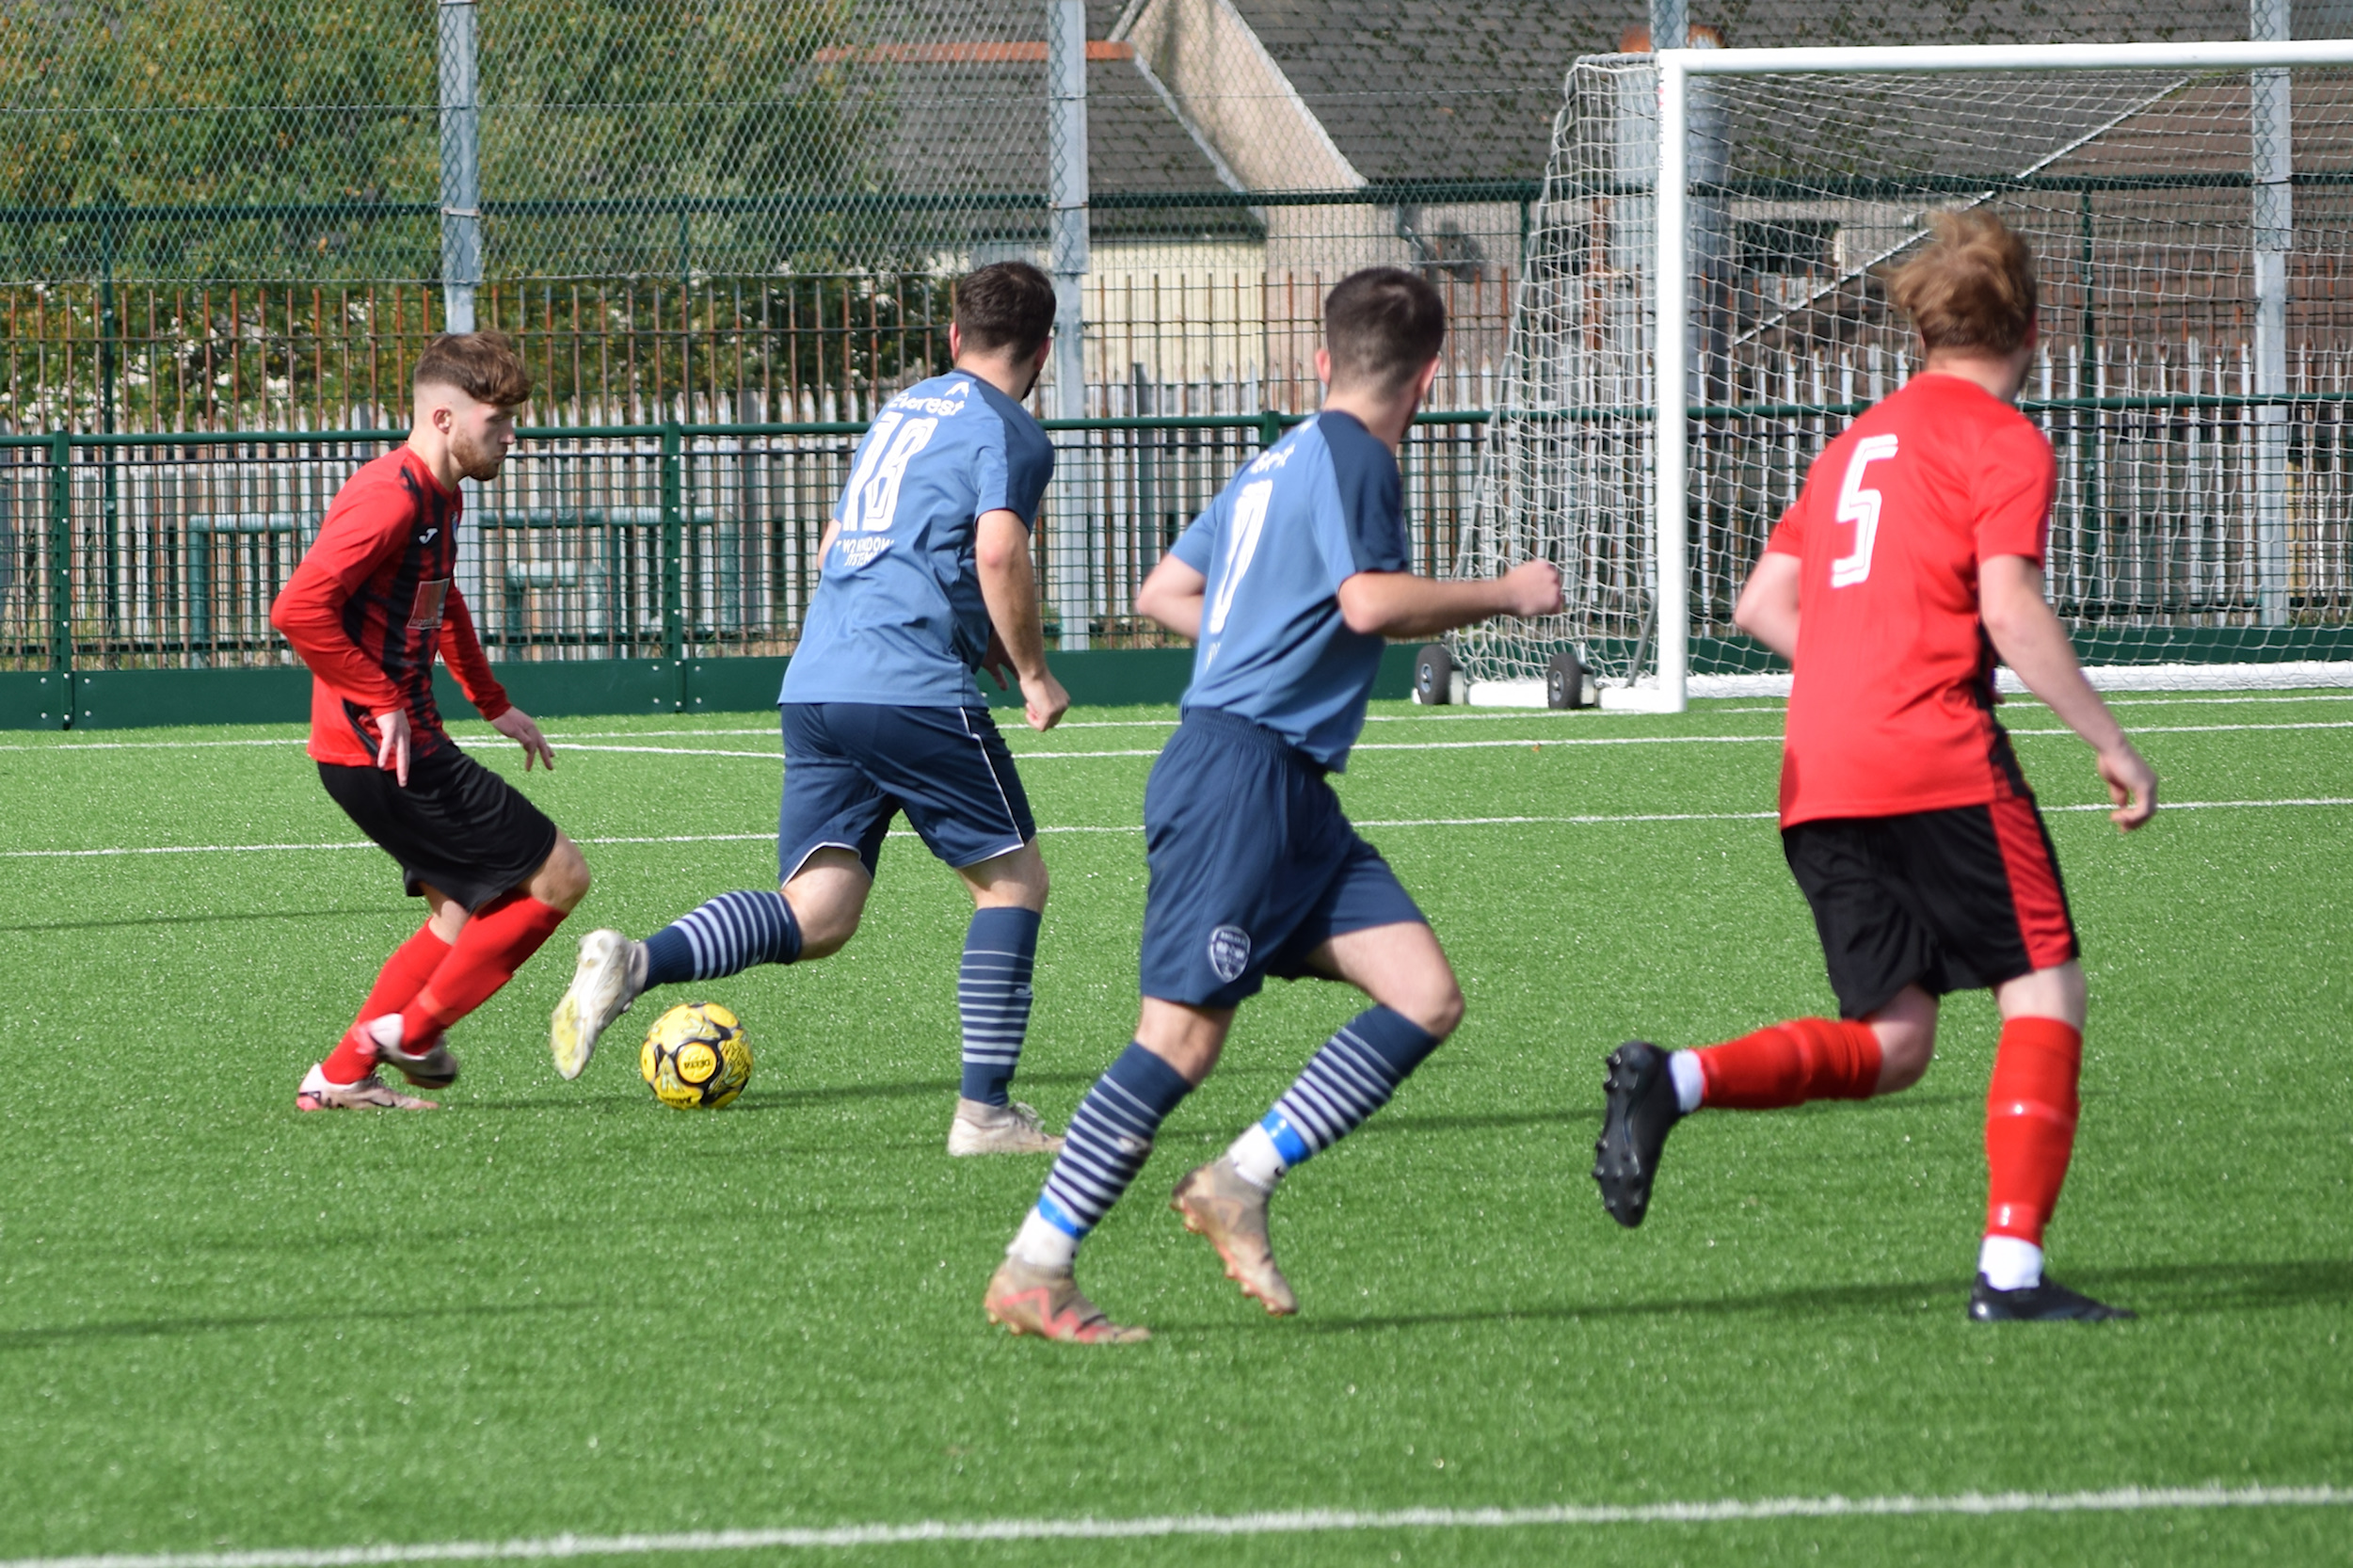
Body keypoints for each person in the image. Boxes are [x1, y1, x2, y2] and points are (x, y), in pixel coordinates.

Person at [1590, 212, 2159, 1321]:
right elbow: (2008, 605)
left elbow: (1761, 603)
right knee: (2043, 985)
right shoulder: (2003, 440)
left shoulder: (1857, 440)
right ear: (2033, 327)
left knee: (1896, 1042)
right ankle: (2011, 1274)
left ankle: (1677, 1078)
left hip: (1818, 771)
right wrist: (2109, 740)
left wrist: (1864, 661)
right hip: (1935, 757)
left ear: (1923, 329)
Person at [981, 266, 1566, 1343]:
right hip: (1239, 774)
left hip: (1288, 788)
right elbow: (1369, 602)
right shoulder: (1358, 454)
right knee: (1179, 1041)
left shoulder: (1278, 457)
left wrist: (1258, 633)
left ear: (1320, 357)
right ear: (1429, 376)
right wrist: (1505, 593)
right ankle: (1037, 1263)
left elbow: (1164, 591)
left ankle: (1240, 1179)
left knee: (1424, 994)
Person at [550, 261, 1073, 1156]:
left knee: (820, 912)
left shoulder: (902, 411)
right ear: (1045, 351)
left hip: (820, 679)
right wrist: (1030, 671)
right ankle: (985, 1114)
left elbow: (840, 541)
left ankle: (638, 961)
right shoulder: (1013, 431)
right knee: (1014, 884)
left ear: (953, 339)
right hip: (910, 686)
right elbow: (997, 552)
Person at [272, 331, 588, 1112]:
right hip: (380, 749)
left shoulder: (437, 493)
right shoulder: (390, 495)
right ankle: (411, 1034)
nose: (511, 437)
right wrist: (380, 700)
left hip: (387, 747)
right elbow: (298, 609)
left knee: (457, 916)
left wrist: (492, 703)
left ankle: (342, 1077)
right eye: (498, 421)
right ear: (445, 417)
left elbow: (438, 600)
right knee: (559, 876)